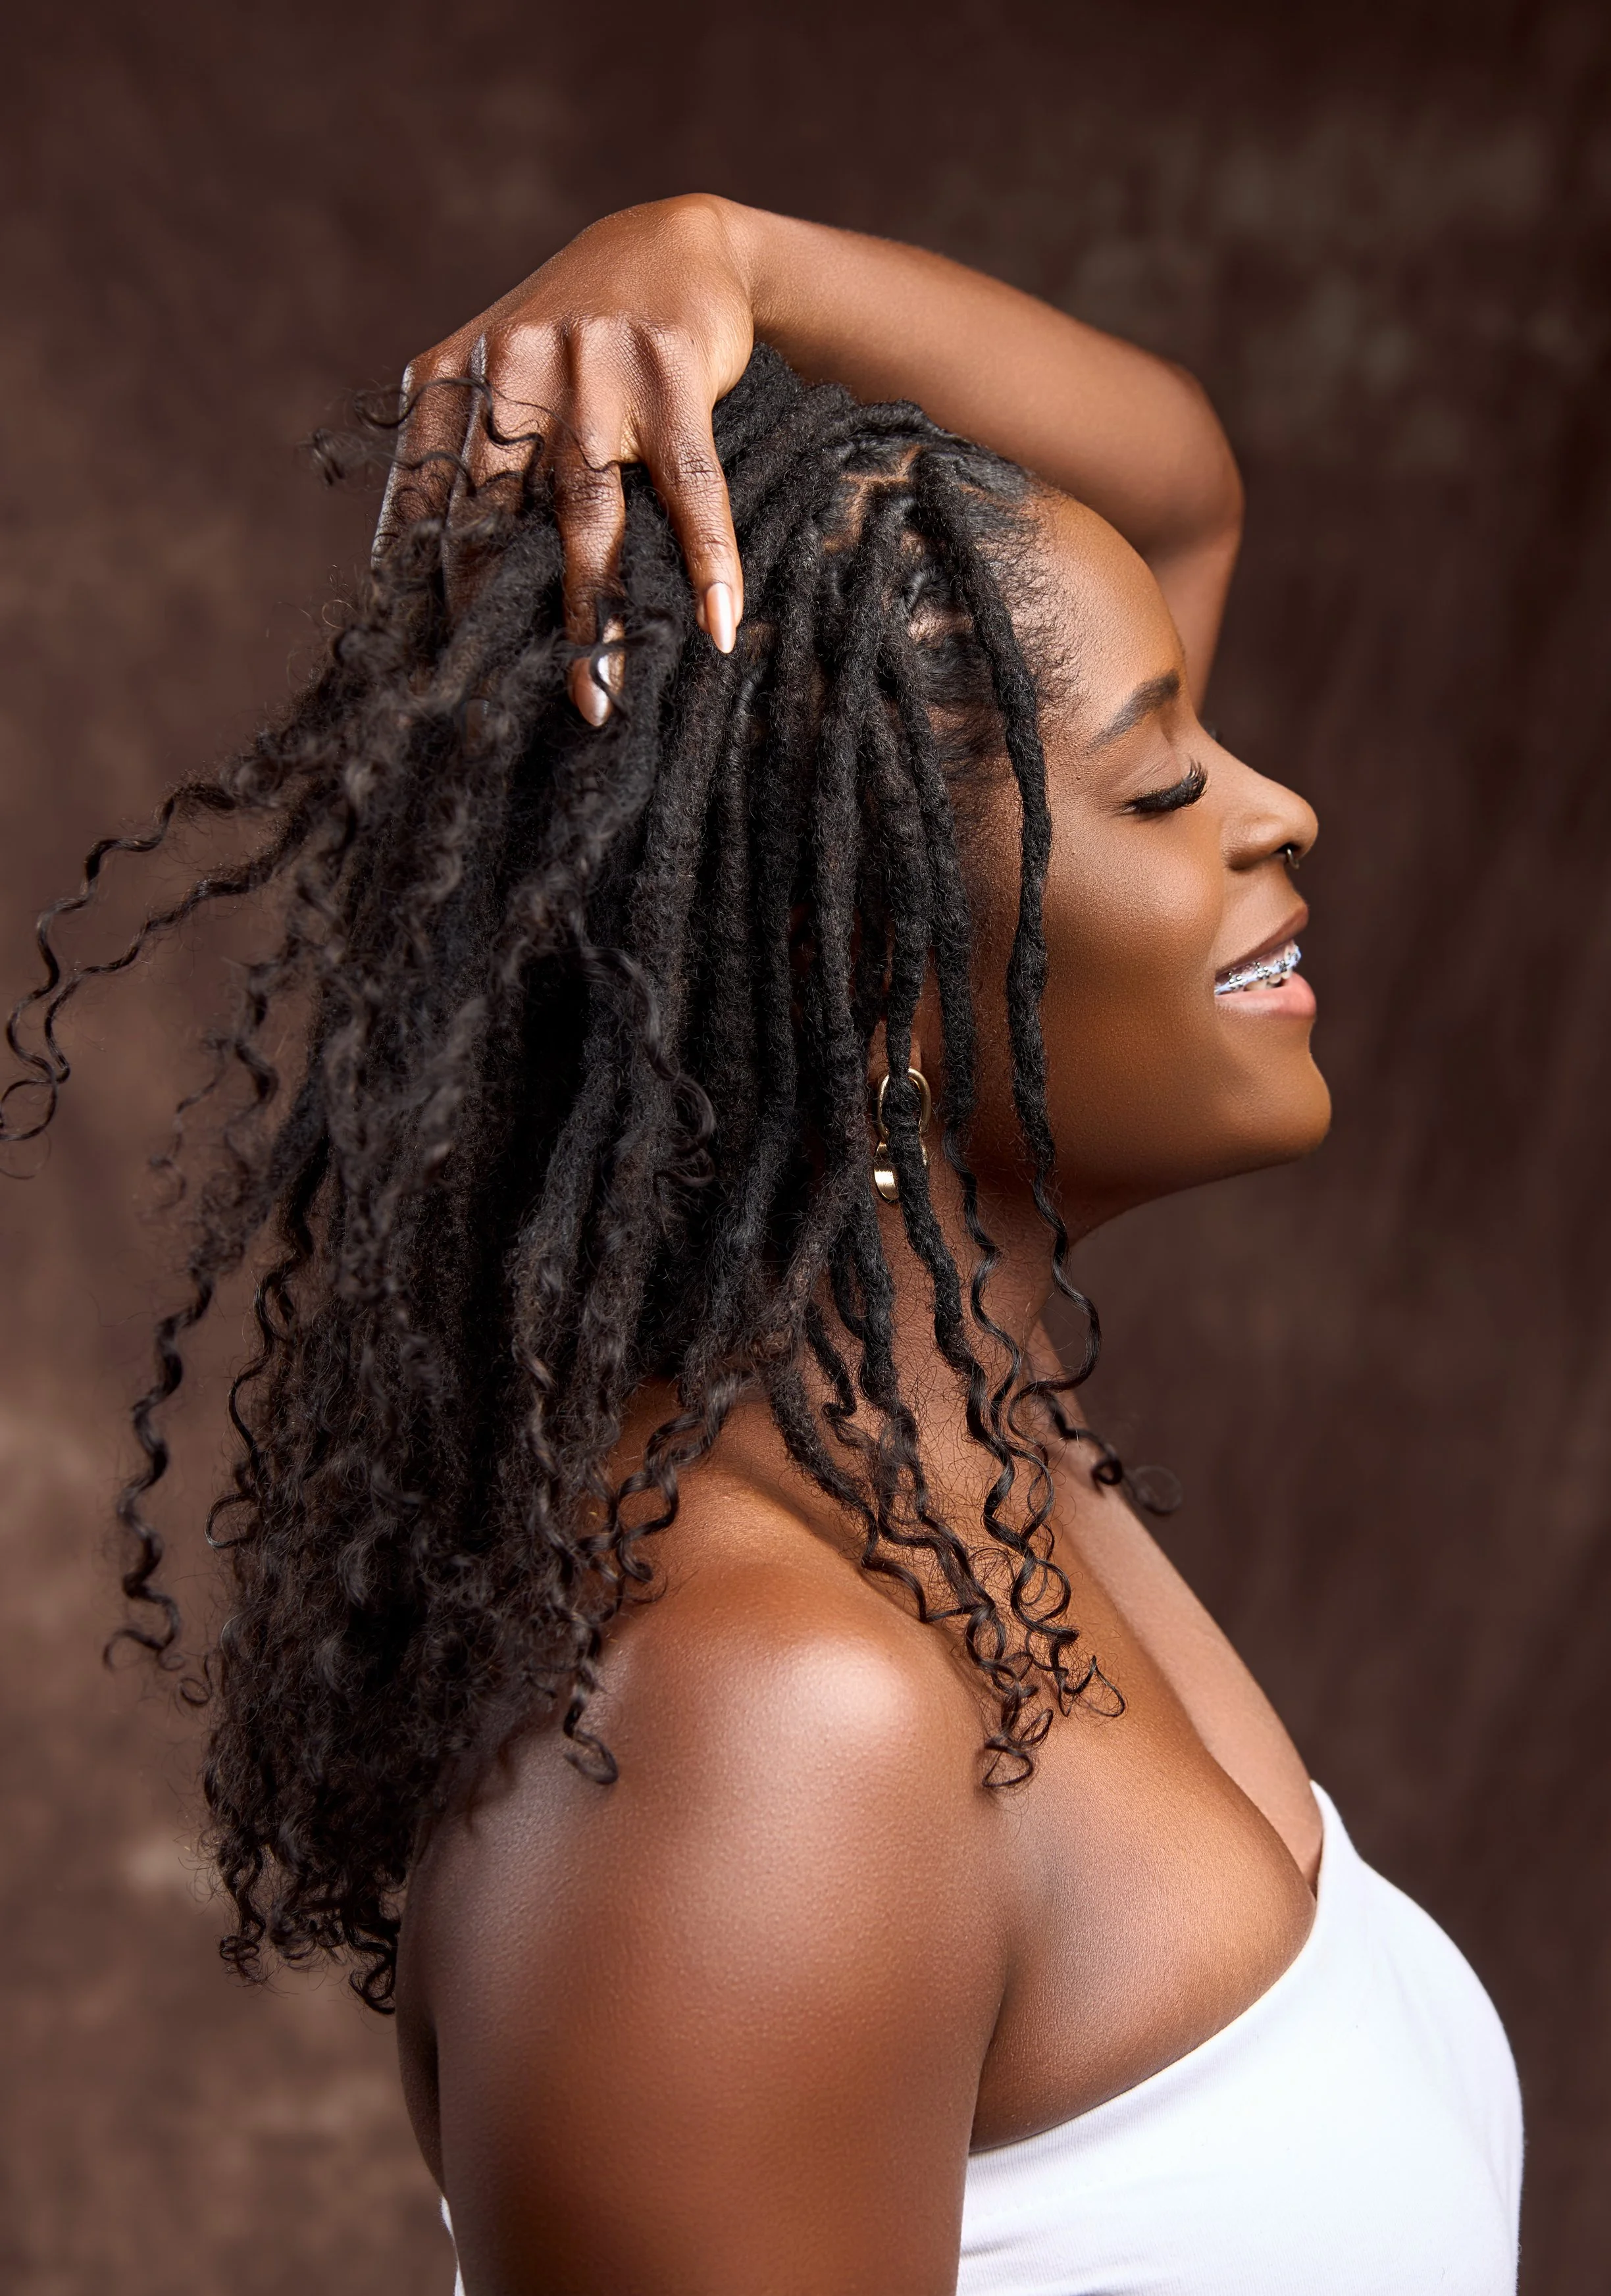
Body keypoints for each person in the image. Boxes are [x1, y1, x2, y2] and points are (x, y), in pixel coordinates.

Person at [6, 196, 1522, 2293]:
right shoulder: (757, 1725)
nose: (1281, 810)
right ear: (866, 961)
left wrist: (716, 252)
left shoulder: (966, 1464)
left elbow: (1169, 477)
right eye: (1165, 781)